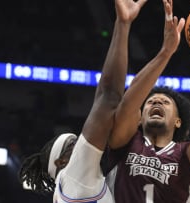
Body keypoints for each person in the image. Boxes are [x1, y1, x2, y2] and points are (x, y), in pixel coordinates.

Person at [104, 6, 190, 203]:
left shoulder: (186, 156)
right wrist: (166, 52)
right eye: (150, 102)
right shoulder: (126, 143)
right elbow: (127, 105)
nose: (156, 101)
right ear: (139, 120)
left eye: (165, 102)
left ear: (178, 121)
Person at [18, 0, 147, 202]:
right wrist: (123, 25)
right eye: (72, 144)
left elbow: (104, 98)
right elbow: (108, 96)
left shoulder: (71, 186)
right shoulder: (73, 176)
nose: (80, 142)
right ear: (62, 161)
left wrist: (123, 25)